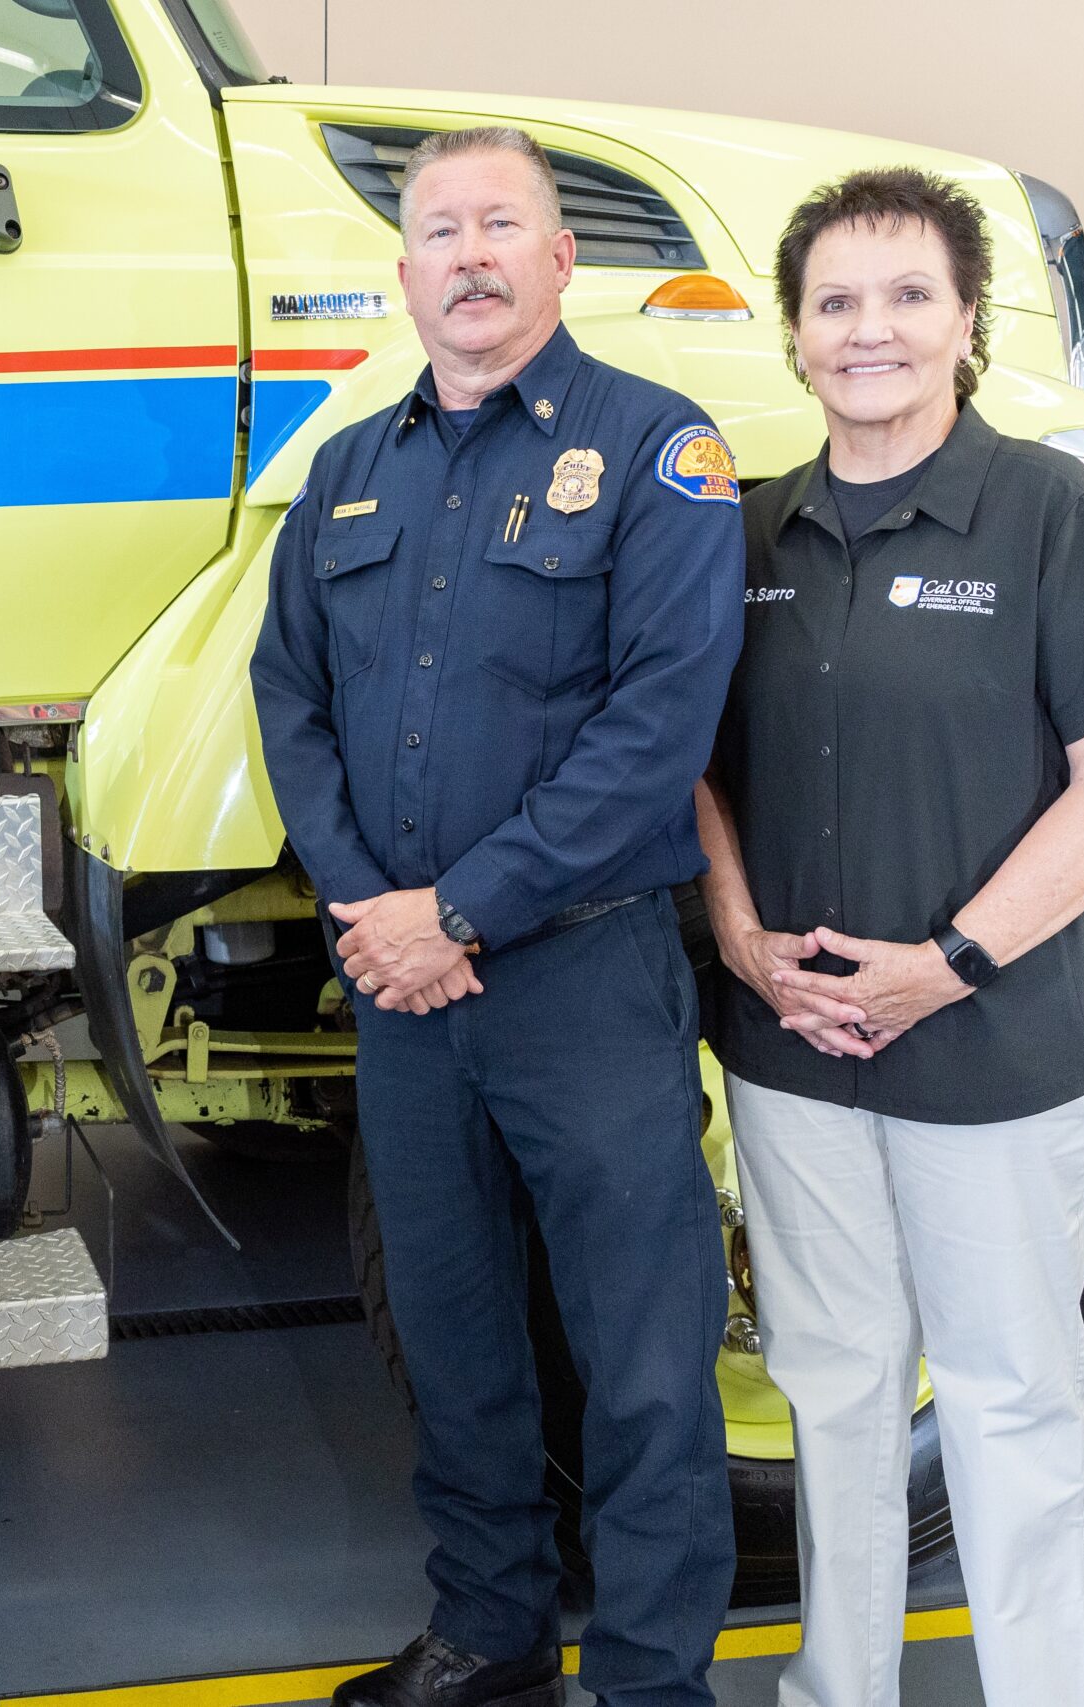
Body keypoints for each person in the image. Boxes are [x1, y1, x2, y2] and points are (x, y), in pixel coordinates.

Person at [696, 167, 1084, 1707]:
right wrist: (735, 931)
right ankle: (833, 1691)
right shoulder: (752, 529)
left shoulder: (1049, 512)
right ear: (796, 335)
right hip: (797, 1058)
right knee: (836, 1396)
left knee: (1010, 1402)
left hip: (998, 1052)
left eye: (908, 296)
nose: (873, 331)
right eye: (837, 302)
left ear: (967, 321)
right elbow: (699, 772)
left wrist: (953, 964)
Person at [250, 126, 745, 1707]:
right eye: (437, 229)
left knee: (645, 1365)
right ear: (402, 271)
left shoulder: (661, 451)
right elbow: (291, 701)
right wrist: (370, 911)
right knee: (458, 1341)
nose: (466, 254)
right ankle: (490, 1630)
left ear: (558, 259)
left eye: (499, 226)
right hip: (405, 997)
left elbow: (660, 730)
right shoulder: (346, 473)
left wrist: (457, 910)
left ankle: (656, 1677)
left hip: (579, 976)